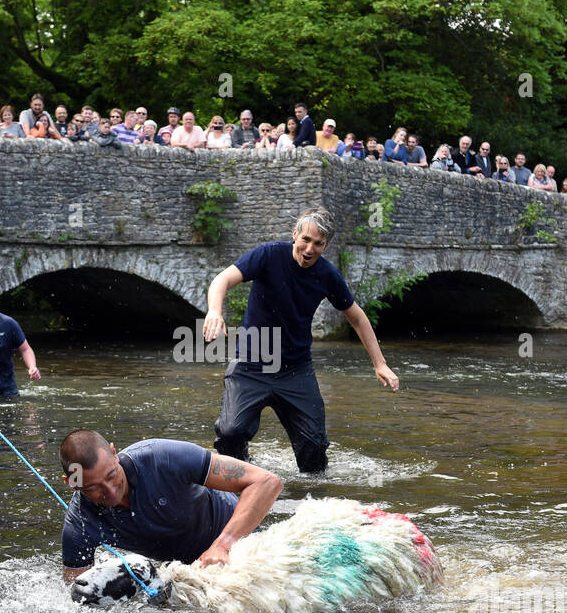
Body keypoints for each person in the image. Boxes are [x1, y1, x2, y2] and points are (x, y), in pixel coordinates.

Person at [203, 207, 400, 474]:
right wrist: (215, 311)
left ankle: (312, 499)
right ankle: (244, 475)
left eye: (318, 243)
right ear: (295, 234)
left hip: (296, 370)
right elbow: (222, 279)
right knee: (230, 433)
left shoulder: (327, 275)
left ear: (326, 245)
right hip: (250, 366)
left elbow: (357, 318)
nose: (309, 249)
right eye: (305, 239)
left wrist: (380, 364)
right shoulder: (268, 254)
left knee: (314, 452)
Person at [57, 431, 283, 581]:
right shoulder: (80, 525)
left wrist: (223, 545)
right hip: (187, 575)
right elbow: (78, 596)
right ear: (72, 483)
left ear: (115, 454)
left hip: (241, 544)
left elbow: (266, 481)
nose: (110, 490)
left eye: (111, 475)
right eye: (93, 487)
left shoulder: (162, 458)